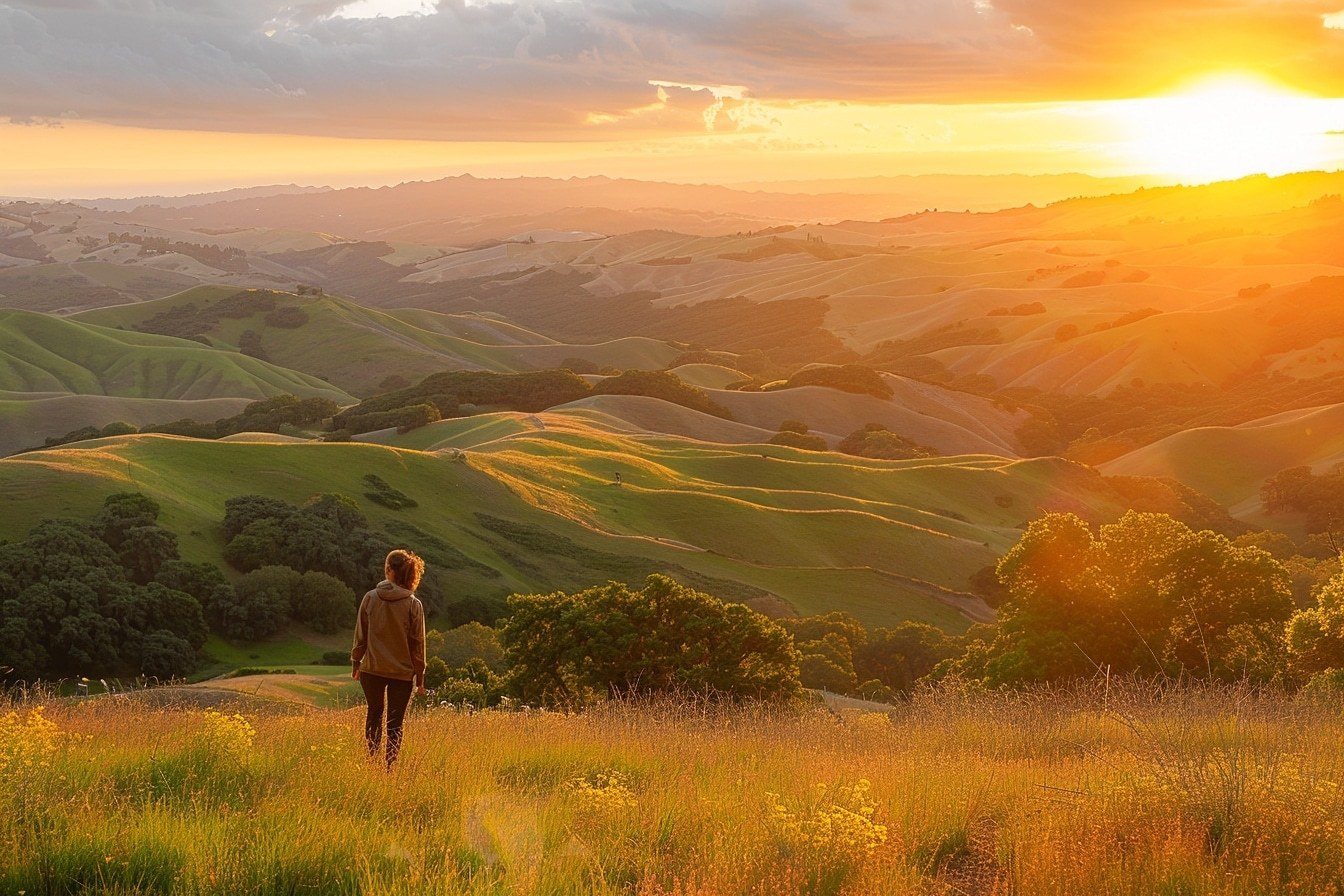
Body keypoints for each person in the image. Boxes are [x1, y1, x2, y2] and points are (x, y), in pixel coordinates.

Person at [351, 548, 427, 768]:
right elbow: (418, 645)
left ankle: (371, 764)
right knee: (395, 724)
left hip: (372, 669)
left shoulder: (370, 598)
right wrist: (420, 678)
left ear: (388, 571)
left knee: (374, 715)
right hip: (402, 674)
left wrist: (357, 662)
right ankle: (389, 769)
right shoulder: (414, 604)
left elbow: (360, 636)